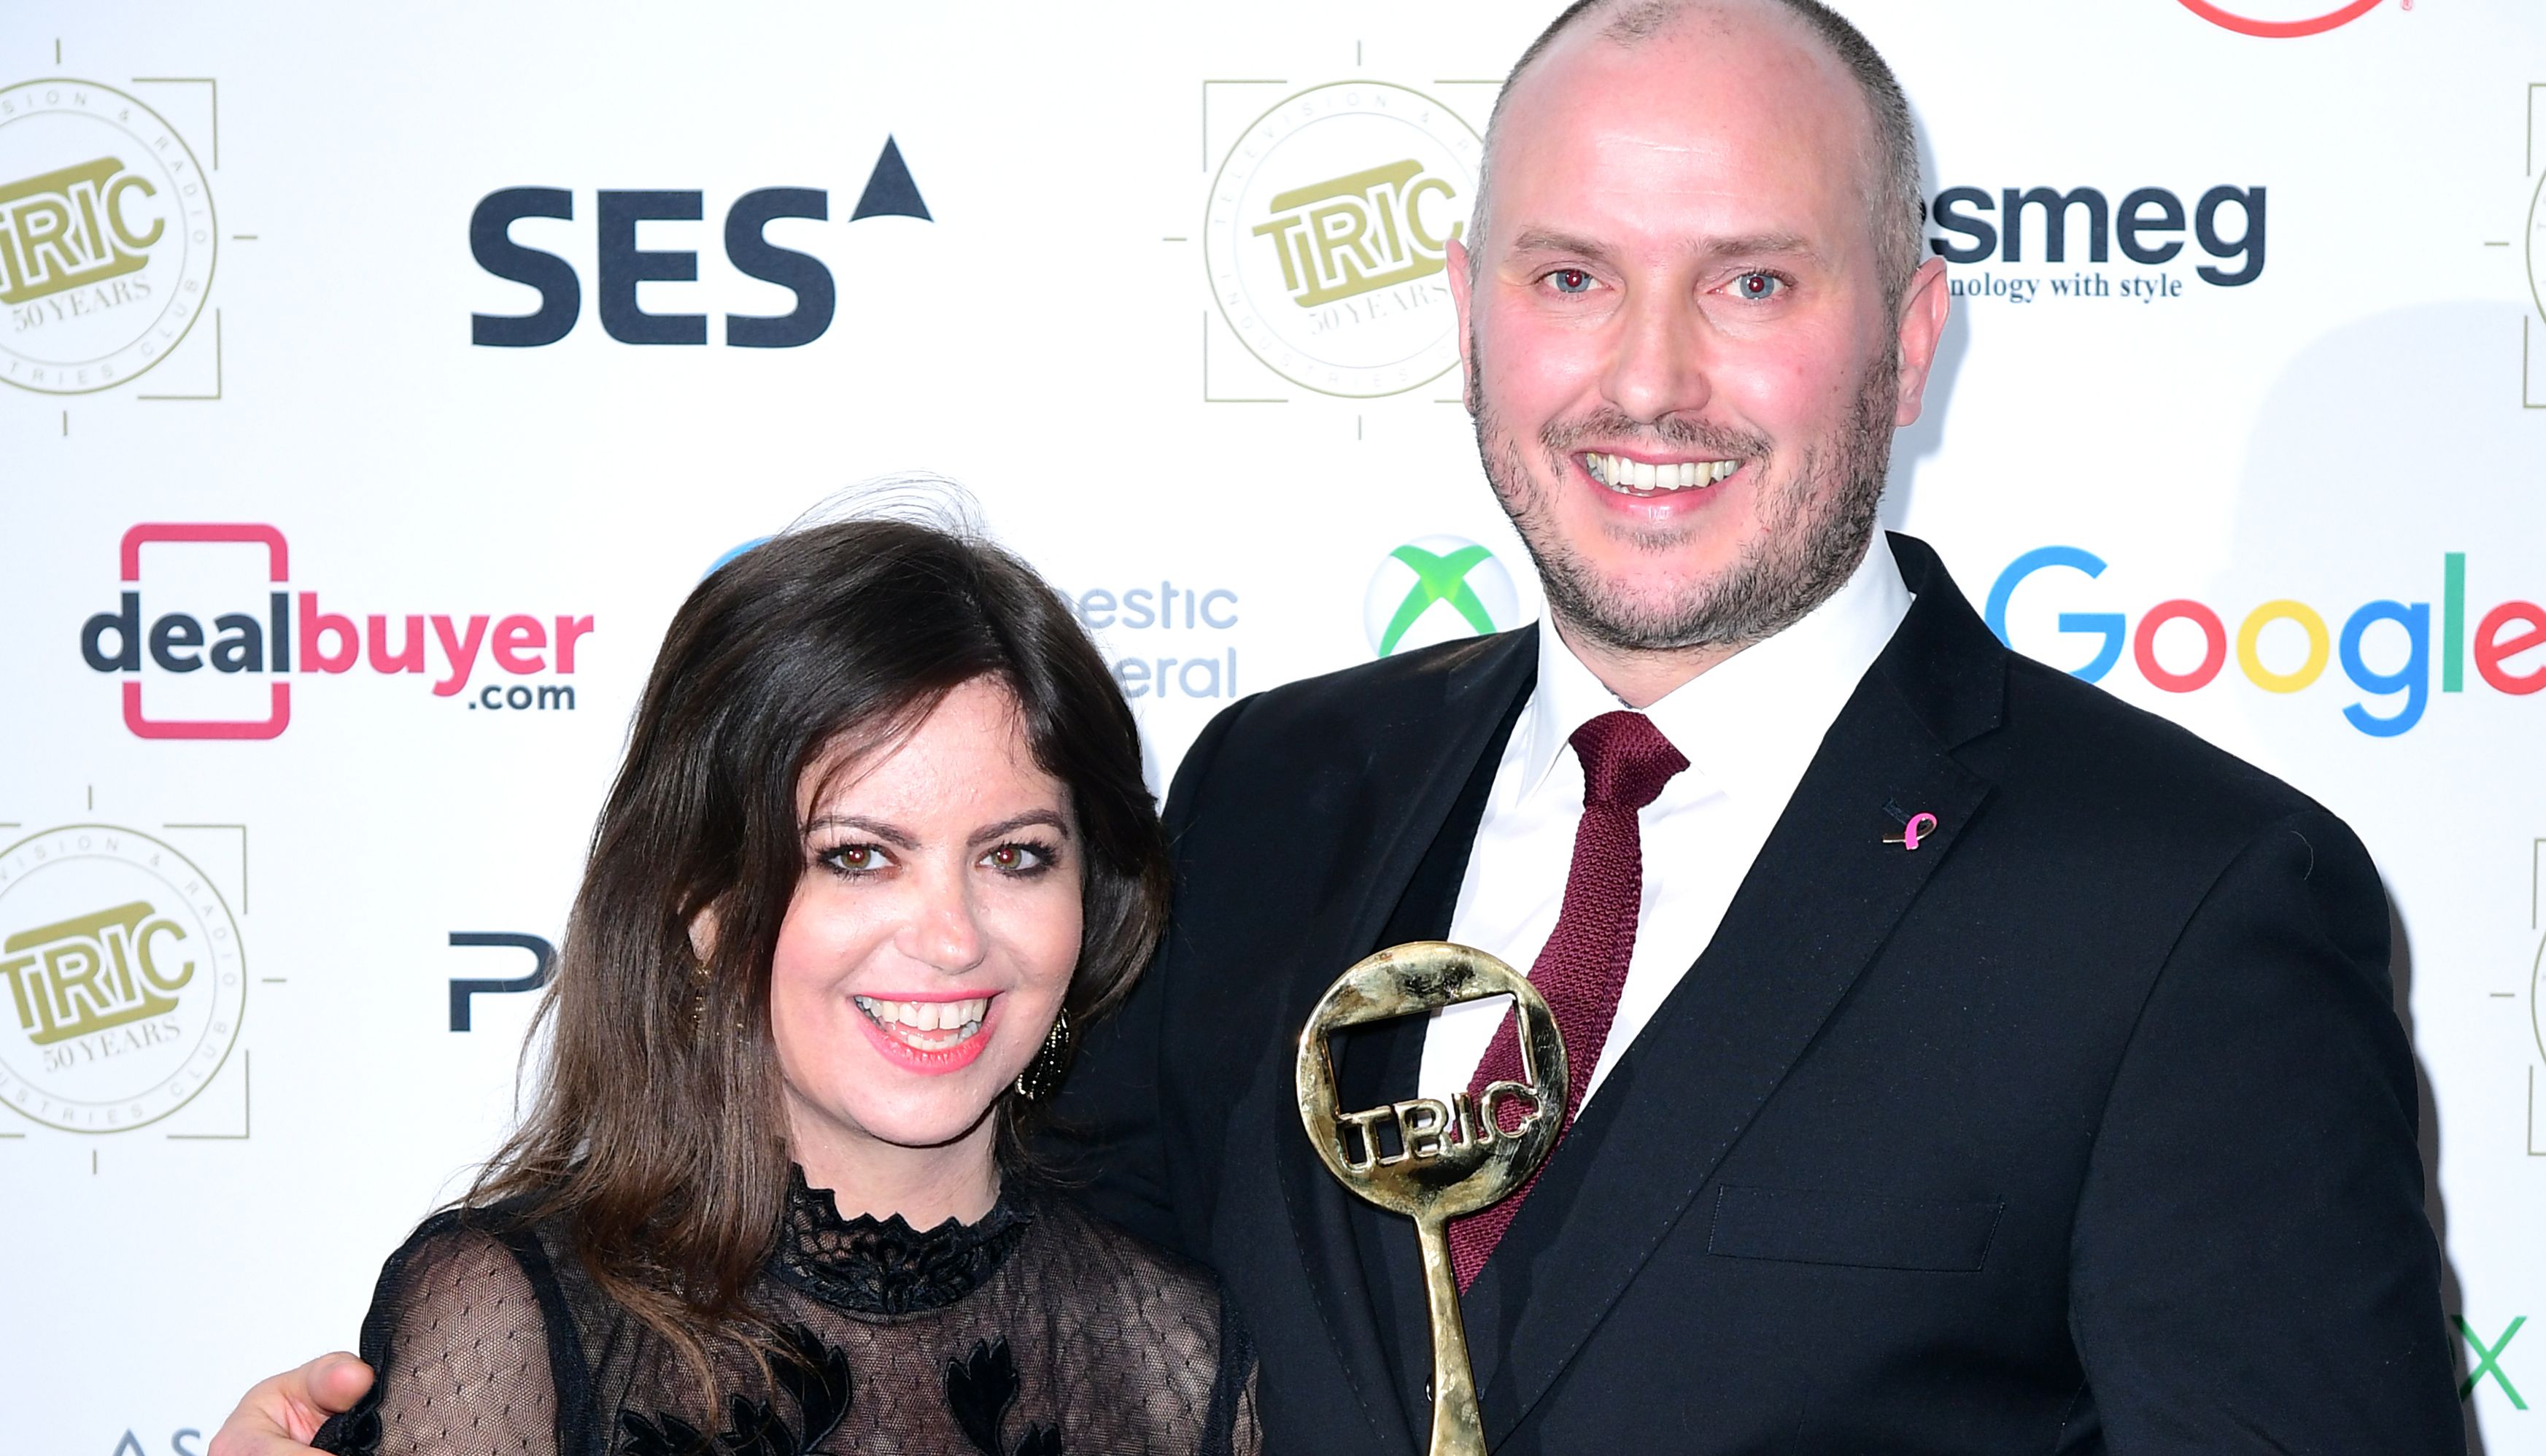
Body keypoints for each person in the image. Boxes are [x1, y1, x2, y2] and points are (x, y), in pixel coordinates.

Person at [221, 1, 2464, 1452]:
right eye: (1570, 276)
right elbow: (985, 1287)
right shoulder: (1282, 794)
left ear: (1912, 330)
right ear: (1472, 310)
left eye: (1753, 281)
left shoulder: (2186, 903)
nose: (1648, 375)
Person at [255, 518, 1259, 1456]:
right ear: (704, 903)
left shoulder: (1183, 1353)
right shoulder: (515, 1316)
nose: (953, 939)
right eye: (857, 857)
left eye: (1015, 856)